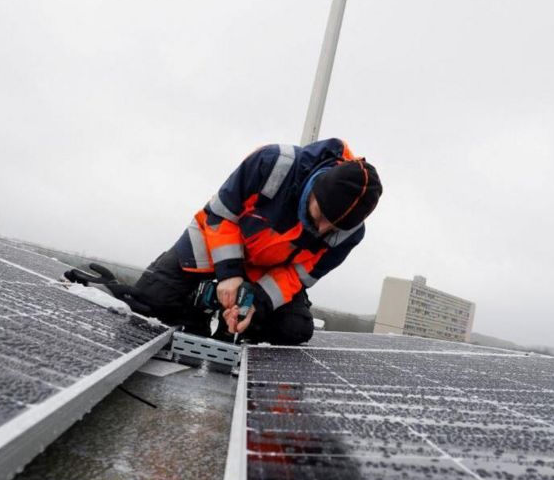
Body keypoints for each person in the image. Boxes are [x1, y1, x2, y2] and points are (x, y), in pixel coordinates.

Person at [65, 138, 382, 345]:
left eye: (334, 226)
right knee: (153, 302)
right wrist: (229, 273)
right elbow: (220, 215)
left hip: (267, 271)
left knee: (293, 330)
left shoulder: (348, 235)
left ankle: (226, 316)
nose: (323, 228)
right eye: (320, 215)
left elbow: (296, 277)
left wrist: (252, 303)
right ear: (314, 190)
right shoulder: (274, 164)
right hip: (216, 242)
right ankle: (196, 306)